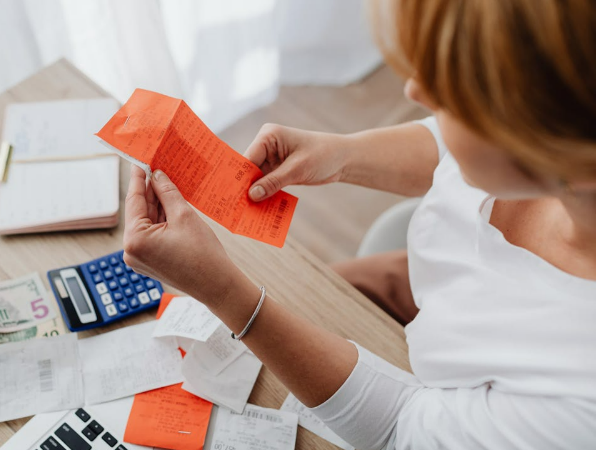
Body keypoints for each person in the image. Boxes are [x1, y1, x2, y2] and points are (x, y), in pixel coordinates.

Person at [122, 0, 596, 448]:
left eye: (456, 93)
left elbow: (399, 427)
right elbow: (453, 148)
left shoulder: (576, 399)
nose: (416, 92)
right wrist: (343, 155)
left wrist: (225, 293)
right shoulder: (554, 144)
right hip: (423, 289)